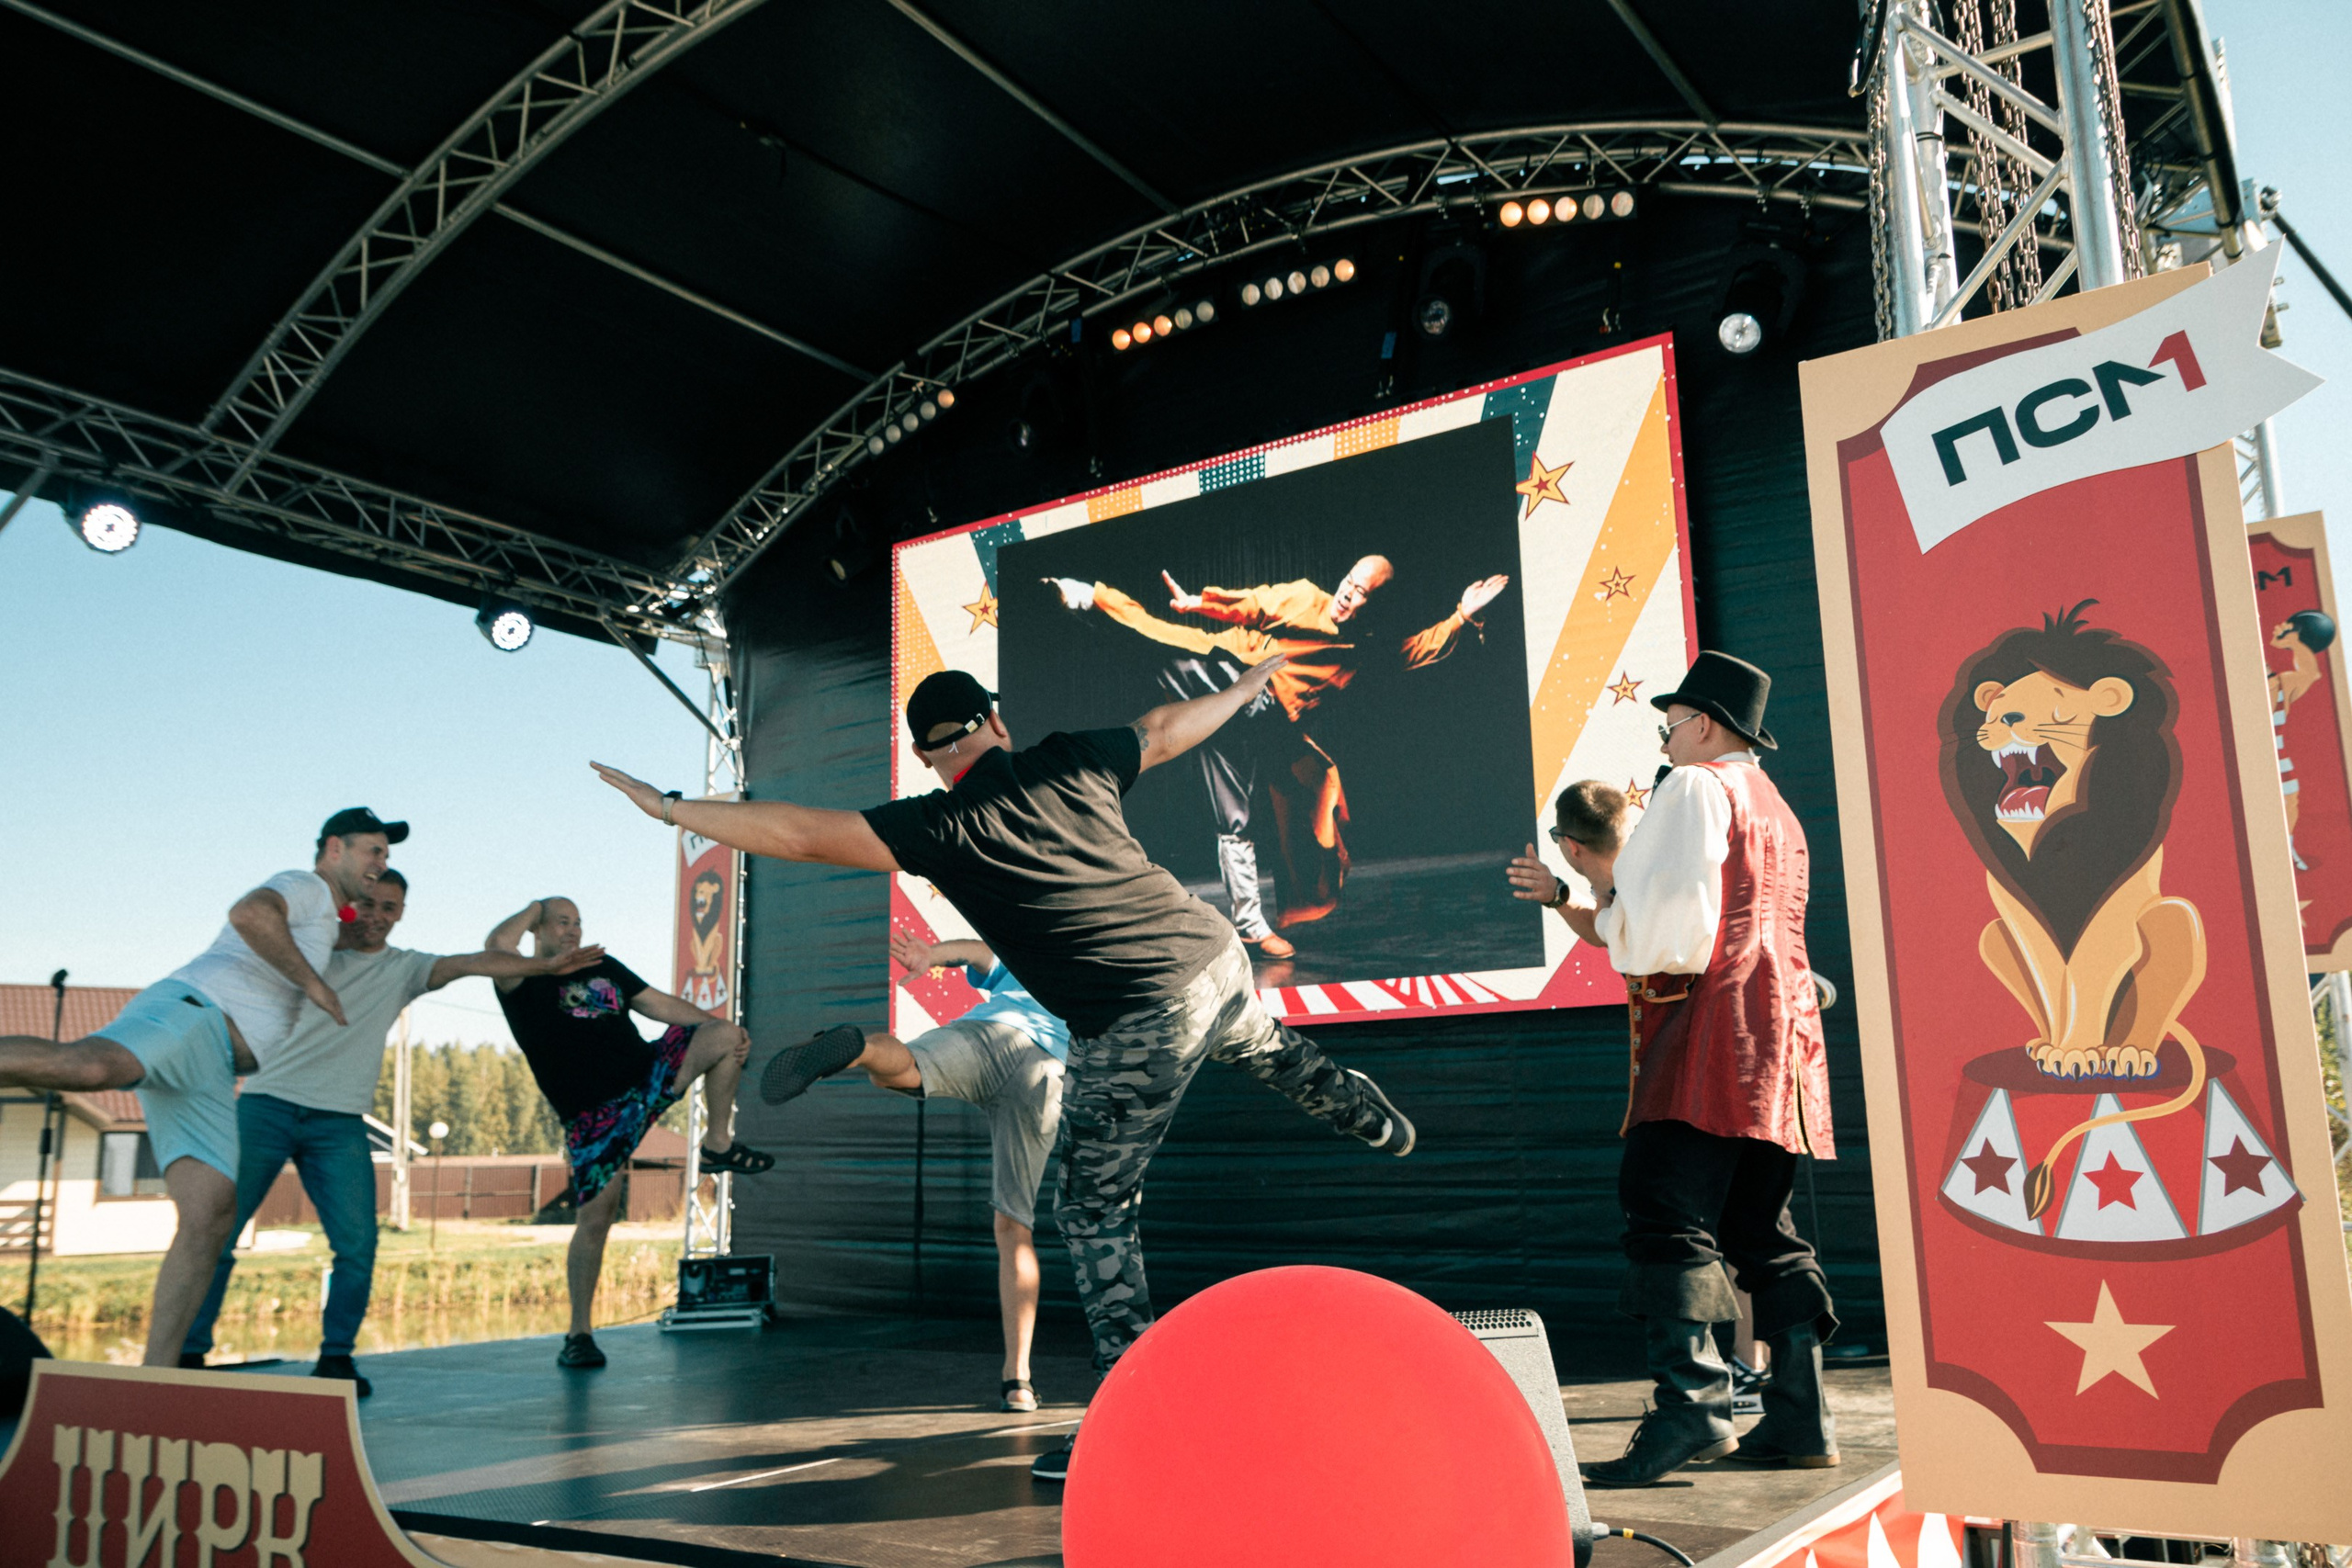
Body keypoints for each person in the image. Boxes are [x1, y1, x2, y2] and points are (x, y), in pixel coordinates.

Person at [592, 659, 1415, 1482]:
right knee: (1258, 1044)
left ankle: (1140, 1412)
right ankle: (1357, 1107)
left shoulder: (936, 825)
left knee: (1092, 1209)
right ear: (995, 721)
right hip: (1211, 951)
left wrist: (670, 809)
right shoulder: (1068, 755)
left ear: (925, 757)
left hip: (1137, 1015)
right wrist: (1239, 693)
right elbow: (1166, 729)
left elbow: (800, 832)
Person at [1508, 653, 1838, 1486]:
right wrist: (1581, 903)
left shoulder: (1696, 788)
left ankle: (1693, 1408)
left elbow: (1668, 932)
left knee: (1661, 1206)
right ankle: (1801, 1416)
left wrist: (1617, 931)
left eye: (1671, 723)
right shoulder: (1776, 806)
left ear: (1703, 723)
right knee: (1761, 1226)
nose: (1668, 737)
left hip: (1712, 1022)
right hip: (1781, 1035)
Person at [178, 868, 608, 1393]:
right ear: (349, 906)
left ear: (401, 914)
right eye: (371, 905)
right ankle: (188, 1352)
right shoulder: (310, 952)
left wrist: (544, 966)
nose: (378, 918)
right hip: (266, 1104)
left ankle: (336, 1358)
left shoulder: (403, 968)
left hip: (338, 1120)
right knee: (217, 1233)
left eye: (390, 909)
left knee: (358, 1245)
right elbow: (254, 929)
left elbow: (476, 961)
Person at [0, 807, 393, 1366]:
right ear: (334, 849)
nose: (381, 862)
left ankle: (156, 1379)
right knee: (92, 1069)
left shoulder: (326, 914)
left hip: (212, 1068)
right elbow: (249, 913)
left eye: (386, 855)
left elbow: (343, 931)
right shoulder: (306, 885)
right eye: (372, 851)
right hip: (193, 1016)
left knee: (210, 1217)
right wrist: (314, 986)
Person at [1046, 556, 1510, 942]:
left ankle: (1250, 924)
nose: (1349, 593)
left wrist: (1462, 617)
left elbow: (1419, 648)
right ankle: (1084, 596)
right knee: (1155, 638)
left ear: (1376, 602)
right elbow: (1255, 603)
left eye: (1362, 592)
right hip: (1229, 673)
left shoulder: (1365, 650)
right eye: (1349, 582)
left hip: (1249, 725)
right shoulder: (1307, 598)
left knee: (1236, 818)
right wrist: (1200, 603)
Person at [768, 928, 1072, 1412]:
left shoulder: (1033, 940)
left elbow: (981, 952)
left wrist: (932, 955)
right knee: (1015, 1225)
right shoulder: (1103, 950)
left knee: (905, 1067)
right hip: (1047, 1068)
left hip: (990, 1031)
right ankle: (1018, 1379)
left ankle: (858, 1049)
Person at [486, 897, 775, 1370]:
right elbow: (496, 943)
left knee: (723, 1034)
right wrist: (537, 906)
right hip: (593, 1116)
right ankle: (579, 1333)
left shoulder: (604, 966)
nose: (574, 931)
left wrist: (720, 1031)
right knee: (596, 1221)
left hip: (646, 1079)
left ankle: (717, 1144)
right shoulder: (520, 978)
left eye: (579, 922)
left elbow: (659, 1005)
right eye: (562, 922)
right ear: (537, 928)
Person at [2269, 609, 2335, 869]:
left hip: (2278, 756)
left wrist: (2294, 642)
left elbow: (2311, 673)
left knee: (2289, 799)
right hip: (2244, 761)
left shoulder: (2282, 685)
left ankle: (2287, 849)